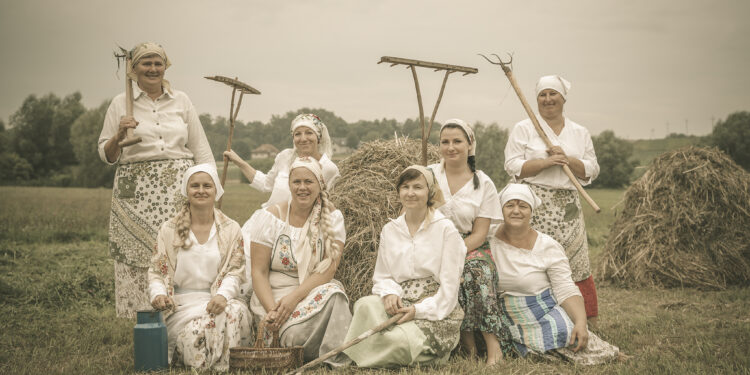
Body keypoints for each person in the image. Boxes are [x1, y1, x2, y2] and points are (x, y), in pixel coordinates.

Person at [98, 42, 215, 318]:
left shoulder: (181, 101)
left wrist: (211, 189)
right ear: (134, 69)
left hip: (176, 188)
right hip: (135, 192)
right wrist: (119, 134)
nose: (152, 69)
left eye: (157, 63)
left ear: (165, 67)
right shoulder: (120, 103)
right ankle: (145, 320)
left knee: (179, 248)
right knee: (140, 253)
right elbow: (106, 154)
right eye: (146, 63)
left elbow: (201, 149)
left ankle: (184, 316)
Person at [344, 165, 467, 368]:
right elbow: (383, 275)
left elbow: (450, 288)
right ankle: (388, 350)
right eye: (405, 187)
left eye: (418, 187)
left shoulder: (446, 230)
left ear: (430, 192)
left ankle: (412, 351)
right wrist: (390, 293)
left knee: (399, 342)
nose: (410, 193)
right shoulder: (390, 229)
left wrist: (418, 310)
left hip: (433, 305)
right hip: (401, 300)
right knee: (364, 305)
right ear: (398, 191)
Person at [504, 75, 601, 326]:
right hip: (533, 203)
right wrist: (545, 163)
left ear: (563, 98)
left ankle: (582, 319)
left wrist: (568, 159)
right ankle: (541, 317)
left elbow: (592, 169)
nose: (548, 99)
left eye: (552, 94)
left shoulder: (579, 132)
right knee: (535, 260)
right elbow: (512, 166)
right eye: (542, 95)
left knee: (574, 260)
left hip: (568, 204)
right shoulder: (524, 128)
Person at [490, 183, 618, 365]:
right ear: (501, 209)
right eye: (510, 205)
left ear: (532, 211)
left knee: (566, 333)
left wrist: (581, 322)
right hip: (506, 311)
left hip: (542, 306)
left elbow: (565, 288)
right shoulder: (489, 240)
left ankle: (601, 351)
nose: (516, 211)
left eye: (523, 206)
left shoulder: (547, 245)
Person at [248, 156, 351, 366]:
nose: (302, 187)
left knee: (335, 294)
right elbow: (258, 272)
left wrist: (294, 298)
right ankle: (296, 341)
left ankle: (318, 349)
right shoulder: (270, 218)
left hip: (308, 294)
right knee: (292, 334)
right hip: (273, 298)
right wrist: (273, 312)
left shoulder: (333, 219)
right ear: (289, 185)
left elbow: (328, 271)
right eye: (297, 182)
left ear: (320, 185)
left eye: (309, 182)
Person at [148, 164, 251, 371]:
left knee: (232, 313)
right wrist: (158, 295)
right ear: (187, 190)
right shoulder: (169, 229)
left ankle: (220, 364)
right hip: (181, 305)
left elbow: (234, 270)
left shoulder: (231, 229)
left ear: (216, 191)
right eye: (195, 185)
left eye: (207, 186)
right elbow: (157, 272)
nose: (201, 190)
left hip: (218, 299)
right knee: (198, 335)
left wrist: (223, 295)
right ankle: (208, 360)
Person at [224, 113, 340, 296]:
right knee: (242, 265)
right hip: (267, 222)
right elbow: (265, 184)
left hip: (297, 228)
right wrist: (239, 162)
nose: (302, 138)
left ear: (318, 136)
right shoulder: (284, 157)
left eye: (308, 133)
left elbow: (323, 200)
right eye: (297, 134)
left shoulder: (329, 168)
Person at [427, 119, 513, 364]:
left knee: (477, 271)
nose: (450, 147)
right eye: (445, 142)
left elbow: (480, 233)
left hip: (470, 244)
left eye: (457, 141)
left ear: (470, 144)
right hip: (432, 242)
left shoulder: (483, 182)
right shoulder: (430, 174)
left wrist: (455, 251)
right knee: (444, 274)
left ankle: (492, 346)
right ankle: (467, 344)